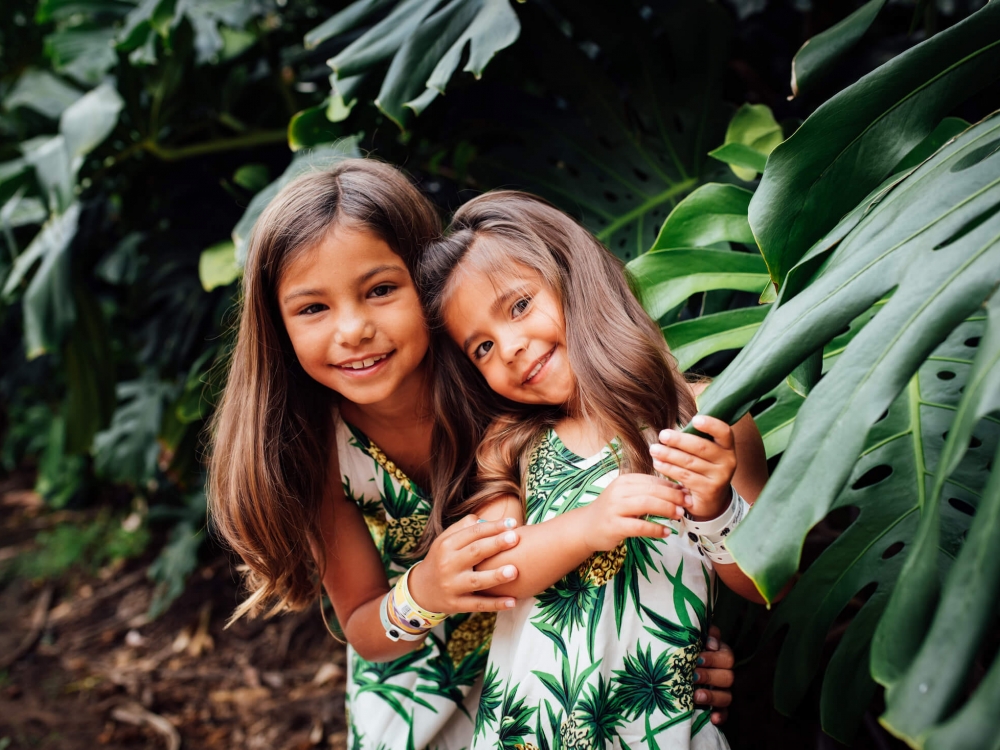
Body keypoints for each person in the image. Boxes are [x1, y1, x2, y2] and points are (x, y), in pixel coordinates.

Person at [207, 160, 737, 750]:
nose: (353, 329)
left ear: (429, 285)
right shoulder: (317, 449)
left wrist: (682, 643)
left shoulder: (508, 383)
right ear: (277, 327)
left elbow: (650, 507)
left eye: (381, 290)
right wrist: (422, 595)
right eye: (313, 308)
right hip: (418, 682)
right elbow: (362, 622)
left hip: (557, 656)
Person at [419, 191, 774, 749]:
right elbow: (497, 568)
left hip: (659, 727)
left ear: (574, 277)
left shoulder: (707, 420)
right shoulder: (511, 443)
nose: (509, 347)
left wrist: (717, 506)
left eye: (518, 306)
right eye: (482, 347)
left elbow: (767, 584)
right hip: (532, 732)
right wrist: (590, 523)